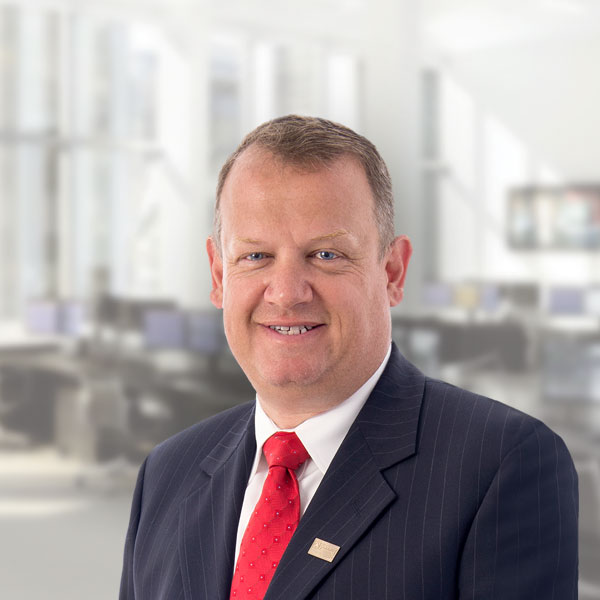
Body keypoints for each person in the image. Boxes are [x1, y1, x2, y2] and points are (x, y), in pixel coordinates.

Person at [120, 115, 578, 599]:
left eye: (326, 255)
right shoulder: (167, 474)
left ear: (392, 271)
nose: (287, 293)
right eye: (255, 257)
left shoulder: (501, 465)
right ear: (218, 274)